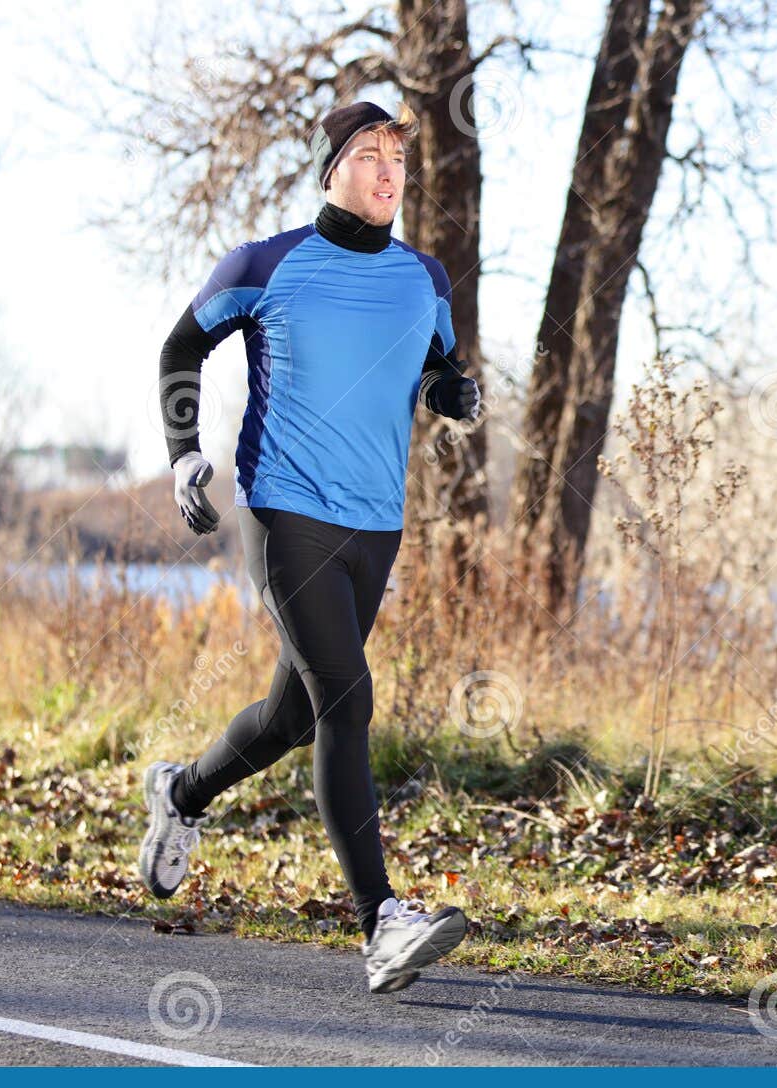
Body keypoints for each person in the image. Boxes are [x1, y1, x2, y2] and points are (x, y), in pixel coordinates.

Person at [137, 99, 482, 995]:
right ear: (331, 170)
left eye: (398, 157)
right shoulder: (268, 264)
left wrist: (453, 393)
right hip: (288, 515)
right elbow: (182, 345)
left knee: (295, 716)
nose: (387, 171)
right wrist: (184, 457)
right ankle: (382, 923)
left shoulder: (425, 280)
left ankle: (181, 795)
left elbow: (440, 365)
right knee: (348, 698)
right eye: (368, 154)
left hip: (378, 525)